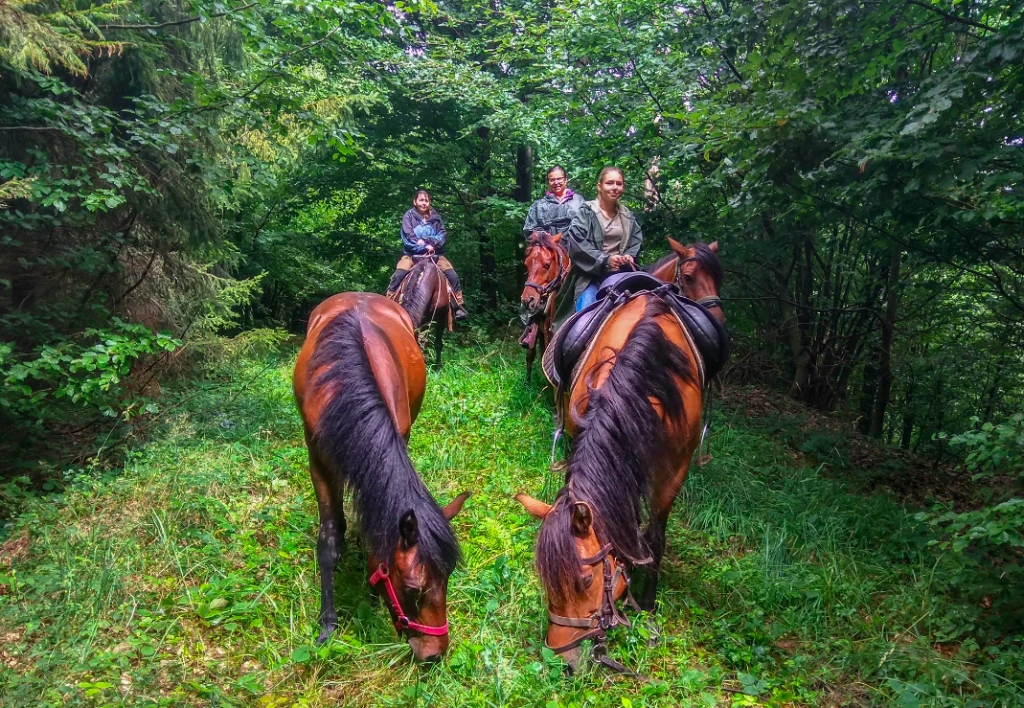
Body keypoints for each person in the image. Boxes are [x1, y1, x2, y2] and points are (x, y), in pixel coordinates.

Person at [551, 166, 643, 332]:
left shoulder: (627, 215)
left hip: (624, 275)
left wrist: (629, 256)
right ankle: (573, 355)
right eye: (609, 183)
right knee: (585, 323)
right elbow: (577, 244)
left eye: (619, 183)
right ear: (599, 186)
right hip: (591, 277)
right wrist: (606, 260)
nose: (615, 187)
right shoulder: (586, 212)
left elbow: (636, 239)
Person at [385, 189, 467, 320]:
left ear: (429, 202)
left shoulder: (436, 218)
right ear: (415, 202)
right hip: (412, 255)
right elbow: (409, 237)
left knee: (453, 275)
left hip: (435, 255)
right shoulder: (409, 216)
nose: (424, 203)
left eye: (426, 200)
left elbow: (442, 236)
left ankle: (458, 306)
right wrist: (423, 245)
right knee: (398, 274)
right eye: (421, 200)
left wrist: (429, 242)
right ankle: (388, 302)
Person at [522, 165, 586, 238]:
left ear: (565, 180)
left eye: (559, 179)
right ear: (548, 182)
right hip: (548, 246)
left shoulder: (578, 201)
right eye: (552, 180)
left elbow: (588, 226)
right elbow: (529, 230)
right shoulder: (539, 205)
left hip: (575, 246)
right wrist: (547, 238)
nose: (556, 182)